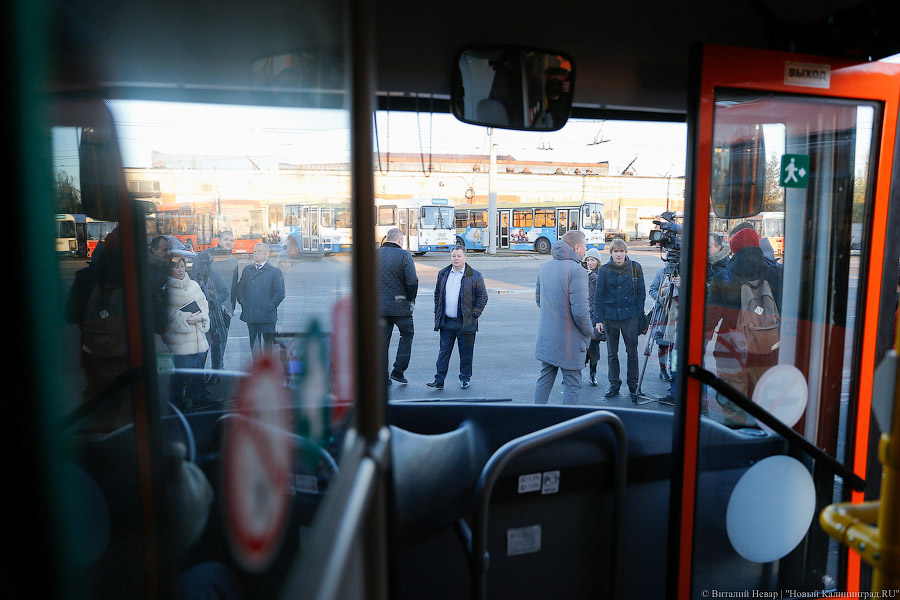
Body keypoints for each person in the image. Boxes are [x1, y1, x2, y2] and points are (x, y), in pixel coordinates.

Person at [705, 226, 783, 427]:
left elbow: (711, 317)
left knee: (733, 409)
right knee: (764, 409)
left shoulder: (723, 278)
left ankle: (735, 446)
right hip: (768, 352)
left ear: (734, 249)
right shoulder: (777, 274)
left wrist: (700, 339)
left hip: (732, 352)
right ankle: (760, 447)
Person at [533, 231, 594, 405]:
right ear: (576, 247)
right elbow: (581, 313)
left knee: (545, 378)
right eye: (585, 246)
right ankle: (568, 426)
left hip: (547, 337)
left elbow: (539, 300)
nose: (586, 249)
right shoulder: (578, 271)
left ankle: (535, 419)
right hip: (570, 341)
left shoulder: (545, 266)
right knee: (572, 384)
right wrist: (590, 332)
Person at [427, 245, 488, 390]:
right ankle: (439, 379)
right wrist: (438, 311)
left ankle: (465, 378)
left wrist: (474, 315)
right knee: (443, 352)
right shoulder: (443, 273)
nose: (456, 259)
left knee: (466, 353)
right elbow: (437, 294)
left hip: (465, 323)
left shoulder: (474, 275)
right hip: (447, 322)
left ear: (465, 257)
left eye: (459, 256)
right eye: (453, 256)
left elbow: (483, 297)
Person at [594, 238, 646, 400]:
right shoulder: (604, 270)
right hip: (610, 317)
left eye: (621, 251)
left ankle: (633, 385)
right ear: (611, 253)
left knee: (632, 352)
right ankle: (614, 384)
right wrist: (598, 319)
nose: (618, 254)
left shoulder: (635, 267)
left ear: (625, 252)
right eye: (615, 251)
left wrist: (637, 314)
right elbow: (598, 296)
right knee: (612, 353)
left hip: (630, 316)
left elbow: (641, 292)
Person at [191, 230, 239, 384]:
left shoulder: (233, 260)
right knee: (205, 343)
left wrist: (231, 306)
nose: (228, 242)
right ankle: (199, 376)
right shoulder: (206, 256)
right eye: (226, 239)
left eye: (231, 240)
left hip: (225, 309)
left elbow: (233, 286)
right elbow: (195, 280)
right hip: (208, 309)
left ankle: (217, 371)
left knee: (220, 344)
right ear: (219, 240)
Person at [164, 255, 211, 410]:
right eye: (176, 267)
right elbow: (166, 314)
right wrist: (186, 318)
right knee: (178, 375)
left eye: (182, 266)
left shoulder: (194, 285)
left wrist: (201, 317)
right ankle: (176, 405)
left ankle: (199, 399)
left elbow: (204, 305)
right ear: (169, 268)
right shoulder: (167, 288)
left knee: (198, 372)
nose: (180, 270)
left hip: (198, 337)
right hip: (180, 341)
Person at [378, 228, 419, 385]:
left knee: (382, 341)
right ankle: (398, 370)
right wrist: (411, 298)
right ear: (400, 240)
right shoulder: (404, 255)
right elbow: (412, 281)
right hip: (400, 307)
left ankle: (382, 377)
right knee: (407, 335)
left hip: (379, 308)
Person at [236, 242, 286, 354]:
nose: (256, 253)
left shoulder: (274, 271)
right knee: (254, 347)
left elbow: (279, 293)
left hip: (267, 317)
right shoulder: (247, 270)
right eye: (254, 251)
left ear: (266, 255)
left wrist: (269, 307)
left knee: (268, 348)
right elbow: (240, 288)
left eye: (259, 251)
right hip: (251, 315)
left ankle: (267, 370)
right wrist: (242, 301)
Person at [648, 266, 680, 383]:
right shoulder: (661, 272)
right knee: (663, 343)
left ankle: (674, 370)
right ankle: (663, 370)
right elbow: (652, 290)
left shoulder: (685, 272)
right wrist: (664, 300)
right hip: (663, 313)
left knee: (676, 345)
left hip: (679, 313)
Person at [583, 247, 605, 386]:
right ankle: (573, 373)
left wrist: (591, 275)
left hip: (595, 315)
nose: (590, 263)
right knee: (578, 347)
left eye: (593, 260)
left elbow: (603, 289)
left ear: (598, 261)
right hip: (582, 314)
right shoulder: (581, 273)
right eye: (588, 260)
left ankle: (593, 374)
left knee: (594, 347)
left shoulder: (600, 274)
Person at [149, 235, 174, 335]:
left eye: (170, 249)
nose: (168, 253)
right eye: (165, 250)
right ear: (154, 251)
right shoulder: (148, 271)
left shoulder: (167, 266)